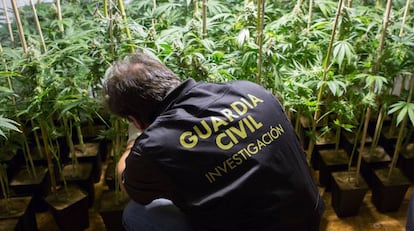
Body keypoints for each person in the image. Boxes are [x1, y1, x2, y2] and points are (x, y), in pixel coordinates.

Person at [102, 52, 325, 231]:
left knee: (136, 214)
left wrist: (134, 140)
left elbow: (127, 184)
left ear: (134, 119)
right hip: (309, 217)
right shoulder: (250, 90)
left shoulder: (152, 146)